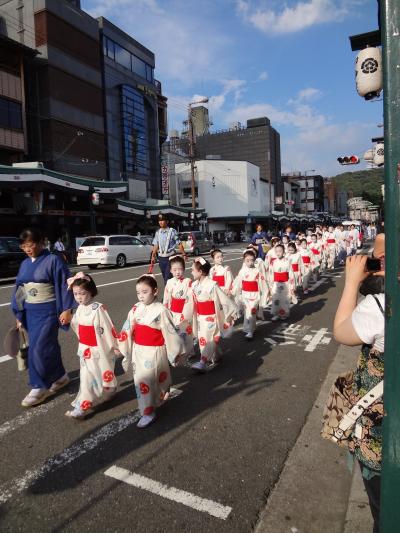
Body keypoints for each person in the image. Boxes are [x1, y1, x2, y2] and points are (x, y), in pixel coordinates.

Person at [333, 234, 385, 533]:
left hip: (382, 426)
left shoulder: (380, 306)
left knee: (384, 510)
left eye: (377, 258)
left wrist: (353, 282)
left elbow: (342, 331)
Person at [12, 228, 75, 407]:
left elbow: (65, 284)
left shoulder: (53, 260)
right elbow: (20, 289)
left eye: (30, 245)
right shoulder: (25, 264)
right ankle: (60, 376)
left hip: (49, 310)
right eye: (24, 246)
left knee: (38, 348)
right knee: (49, 346)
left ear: (41, 242)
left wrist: (67, 308)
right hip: (31, 311)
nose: (27, 249)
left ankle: (38, 386)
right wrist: (19, 312)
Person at [118, 274, 184, 428]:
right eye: (138, 293)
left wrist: (174, 352)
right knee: (141, 380)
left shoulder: (161, 310)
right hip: (138, 350)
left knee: (149, 379)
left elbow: (170, 333)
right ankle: (148, 410)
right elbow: (127, 328)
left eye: (145, 292)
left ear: (155, 291)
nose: (141, 296)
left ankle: (149, 409)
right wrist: (121, 344)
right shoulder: (135, 308)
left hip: (154, 351)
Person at [66, 273, 119, 420]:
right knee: (87, 377)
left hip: (98, 348)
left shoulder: (98, 308)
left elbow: (107, 328)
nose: (79, 297)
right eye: (76, 294)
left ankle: (107, 392)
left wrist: (114, 345)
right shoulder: (80, 308)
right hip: (85, 348)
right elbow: (77, 326)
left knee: (99, 374)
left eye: (82, 293)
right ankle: (82, 406)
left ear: (91, 291)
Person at [190, 257, 238, 371]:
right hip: (200, 316)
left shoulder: (212, 285)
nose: (191, 272)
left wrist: (231, 313)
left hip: (211, 317)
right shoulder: (194, 285)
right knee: (204, 337)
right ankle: (216, 355)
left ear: (200, 272)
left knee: (207, 339)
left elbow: (223, 299)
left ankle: (202, 361)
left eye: (193, 270)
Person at [232, 249, 269, 340]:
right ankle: (251, 328)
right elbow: (238, 283)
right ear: (244, 260)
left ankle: (250, 331)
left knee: (251, 311)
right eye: (247, 260)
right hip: (245, 294)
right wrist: (235, 291)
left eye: (252, 260)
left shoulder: (257, 271)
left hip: (255, 295)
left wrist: (265, 293)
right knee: (247, 312)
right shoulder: (242, 271)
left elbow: (262, 284)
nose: (250, 262)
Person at [163, 255, 194, 358]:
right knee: (175, 333)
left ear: (184, 269)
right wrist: (166, 310)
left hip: (185, 311)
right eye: (174, 269)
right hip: (173, 312)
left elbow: (191, 297)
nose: (177, 272)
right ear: (171, 270)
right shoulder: (169, 282)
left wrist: (189, 311)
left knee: (186, 332)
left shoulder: (188, 281)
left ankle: (189, 351)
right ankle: (178, 351)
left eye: (180, 269)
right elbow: (166, 298)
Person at [151, 213, 186, 284]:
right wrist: (153, 256)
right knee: (165, 277)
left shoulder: (172, 231)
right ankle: (173, 291)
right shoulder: (158, 232)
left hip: (171, 258)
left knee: (167, 278)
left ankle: (168, 293)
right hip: (161, 258)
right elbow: (156, 245)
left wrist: (184, 254)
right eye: (159, 220)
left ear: (167, 221)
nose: (160, 222)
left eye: (162, 220)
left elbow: (179, 243)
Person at [269, 244, 293, 320]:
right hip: (276, 283)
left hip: (285, 283)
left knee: (284, 299)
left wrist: (292, 285)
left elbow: (291, 274)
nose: (278, 253)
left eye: (280, 251)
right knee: (276, 298)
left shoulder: (287, 261)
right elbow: (270, 274)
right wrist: (270, 285)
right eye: (276, 251)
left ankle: (284, 314)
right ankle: (276, 314)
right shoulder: (273, 262)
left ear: (283, 252)